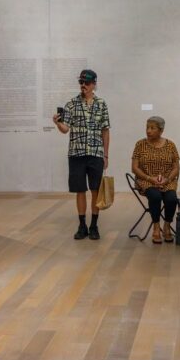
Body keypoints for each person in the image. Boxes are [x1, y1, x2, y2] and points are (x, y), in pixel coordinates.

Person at [53, 69, 111, 240]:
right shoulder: (71, 104)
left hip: (95, 153)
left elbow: (105, 131)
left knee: (95, 190)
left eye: (86, 82)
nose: (83, 85)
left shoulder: (102, 104)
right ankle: (82, 225)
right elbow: (65, 129)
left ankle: (94, 225)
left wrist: (106, 155)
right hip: (76, 154)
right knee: (80, 190)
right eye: (81, 82)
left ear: (94, 84)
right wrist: (57, 123)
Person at [131, 117, 180, 244]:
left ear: (161, 130)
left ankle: (166, 225)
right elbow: (134, 168)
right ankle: (156, 227)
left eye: (152, 128)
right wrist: (149, 178)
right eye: (147, 127)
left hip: (167, 181)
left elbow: (176, 167)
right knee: (155, 196)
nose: (148, 131)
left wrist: (168, 179)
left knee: (171, 199)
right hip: (146, 180)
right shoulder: (140, 144)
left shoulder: (170, 145)